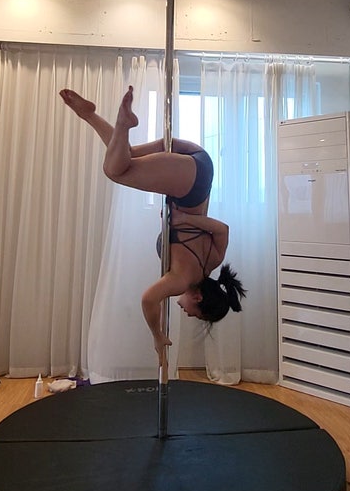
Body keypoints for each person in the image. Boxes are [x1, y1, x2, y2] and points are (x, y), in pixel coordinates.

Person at [60, 85, 246, 357]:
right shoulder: (180, 281)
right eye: (195, 314)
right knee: (114, 171)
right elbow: (149, 299)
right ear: (198, 298)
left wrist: (185, 220)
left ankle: (89, 115)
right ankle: (123, 123)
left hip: (200, 168)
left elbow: (222, 231)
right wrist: (158, 336)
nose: (188, 315)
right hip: (188, 187)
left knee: (125, 155)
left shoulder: (212, 262)